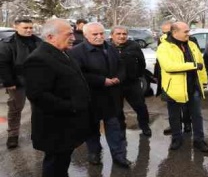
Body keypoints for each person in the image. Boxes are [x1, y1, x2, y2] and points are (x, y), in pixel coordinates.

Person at [23, 18, 92, 177]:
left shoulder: (62, 53)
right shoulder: (39, 59)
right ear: (50, 37)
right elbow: (38, 95)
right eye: (68, 34)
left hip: (67, 124)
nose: (73, 38)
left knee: (62, 162)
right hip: (55, 126)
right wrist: (72, 106)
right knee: (54, 164)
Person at [68, 22, 131, 168]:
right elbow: (79, 74)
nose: (99, 37)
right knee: (92, 128)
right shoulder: (76, 52)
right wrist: (102, 81)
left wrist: (119, 78)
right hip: (91, 97)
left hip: (112, 96)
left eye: (101, 33)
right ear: (85, 35)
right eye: (95, 34)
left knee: (114, 127)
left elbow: (121, 66)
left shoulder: (111, 48)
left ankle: (119, 156)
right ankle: (94, 153)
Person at [156, 22, 208, 152]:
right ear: (175, 32)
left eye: (188, 31)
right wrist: (193, 66)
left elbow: (201, 63)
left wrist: (203, 80)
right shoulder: (164, 47)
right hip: (173, 88)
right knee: (174, 116)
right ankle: (177, 139)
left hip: (193, 87)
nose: (188, 34)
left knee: (197, 115)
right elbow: (169, 66)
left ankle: (199, 140)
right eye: (185, 31)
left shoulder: (191, 44)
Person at [0, 18, 42, 149]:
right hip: (17, 82)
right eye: (25, 28)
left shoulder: (38, 41)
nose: (29, 30)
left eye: (30, 27)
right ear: (16, 27)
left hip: (36, 81)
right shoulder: (8, 43)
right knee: (15, 108)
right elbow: (2, 63)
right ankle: (13, 135)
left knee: (40, 107)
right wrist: (8, 81)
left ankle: (38, 133)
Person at [155, 21, 198, 135]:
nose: (165, 34)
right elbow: (165, 64)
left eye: (167, 31)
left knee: (188, 108)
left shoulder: (191, 42)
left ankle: (187, 125)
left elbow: (199, 61)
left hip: (189, 81)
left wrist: (202, 81)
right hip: (172, 83)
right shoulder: (163, 44)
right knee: (174, 112)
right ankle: (176, 134)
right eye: (164, 32)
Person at [110, 25, 152, 137]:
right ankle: (121, 129)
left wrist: (137, 75)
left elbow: (142, 63)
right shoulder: (107, 46)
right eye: (118, 34)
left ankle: (145, 127)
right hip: (115, 84)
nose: (122, 36)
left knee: (141, 107)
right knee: (117, 110)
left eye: (124, 34)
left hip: (132, 83)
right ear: (112, 35)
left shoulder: (133, 46)